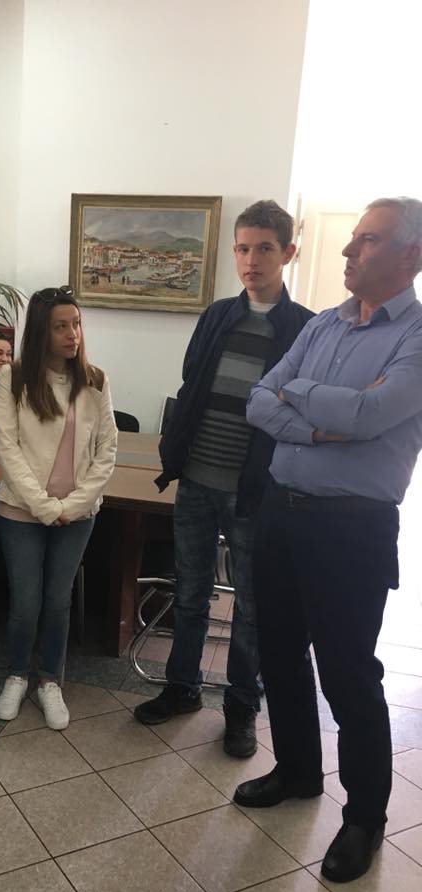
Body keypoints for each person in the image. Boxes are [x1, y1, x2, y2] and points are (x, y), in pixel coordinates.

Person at [235, 197, 422, 883]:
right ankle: (296, 770)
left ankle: (364, 819)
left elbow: (371, 415)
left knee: (348, 673)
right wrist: (320, 423)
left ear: (411, 255)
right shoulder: (324, 324)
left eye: (366, 240)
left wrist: (299, 396)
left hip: (351, 529)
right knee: (279, 653)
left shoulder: (416, 336)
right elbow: (260, 399)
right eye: (351, 239)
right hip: (281, 513)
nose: (347, 250)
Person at [134, 201, 313, 757]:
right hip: (196, 480)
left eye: (264, 248)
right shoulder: (216, 315)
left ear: (288, 252)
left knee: (251, 607)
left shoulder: (304, 327)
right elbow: (193, 384)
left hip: (253, 490)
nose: (251, 260)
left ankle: (241, 706)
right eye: (242, 248)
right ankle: (182, 688)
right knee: (189, 592)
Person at [0, 286, 117, 730]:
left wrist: (73, 504)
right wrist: (46, 506)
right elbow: (7, 449)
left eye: (76, 324)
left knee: (57, 599)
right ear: (41, 333)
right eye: (61, 326)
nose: (72, 334)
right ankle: (16, 675)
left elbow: (107, 451)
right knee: (26, 601)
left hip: (76, 515)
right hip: (22, 511)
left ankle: (49, 680)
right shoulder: (14, 377)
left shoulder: (95, 380)